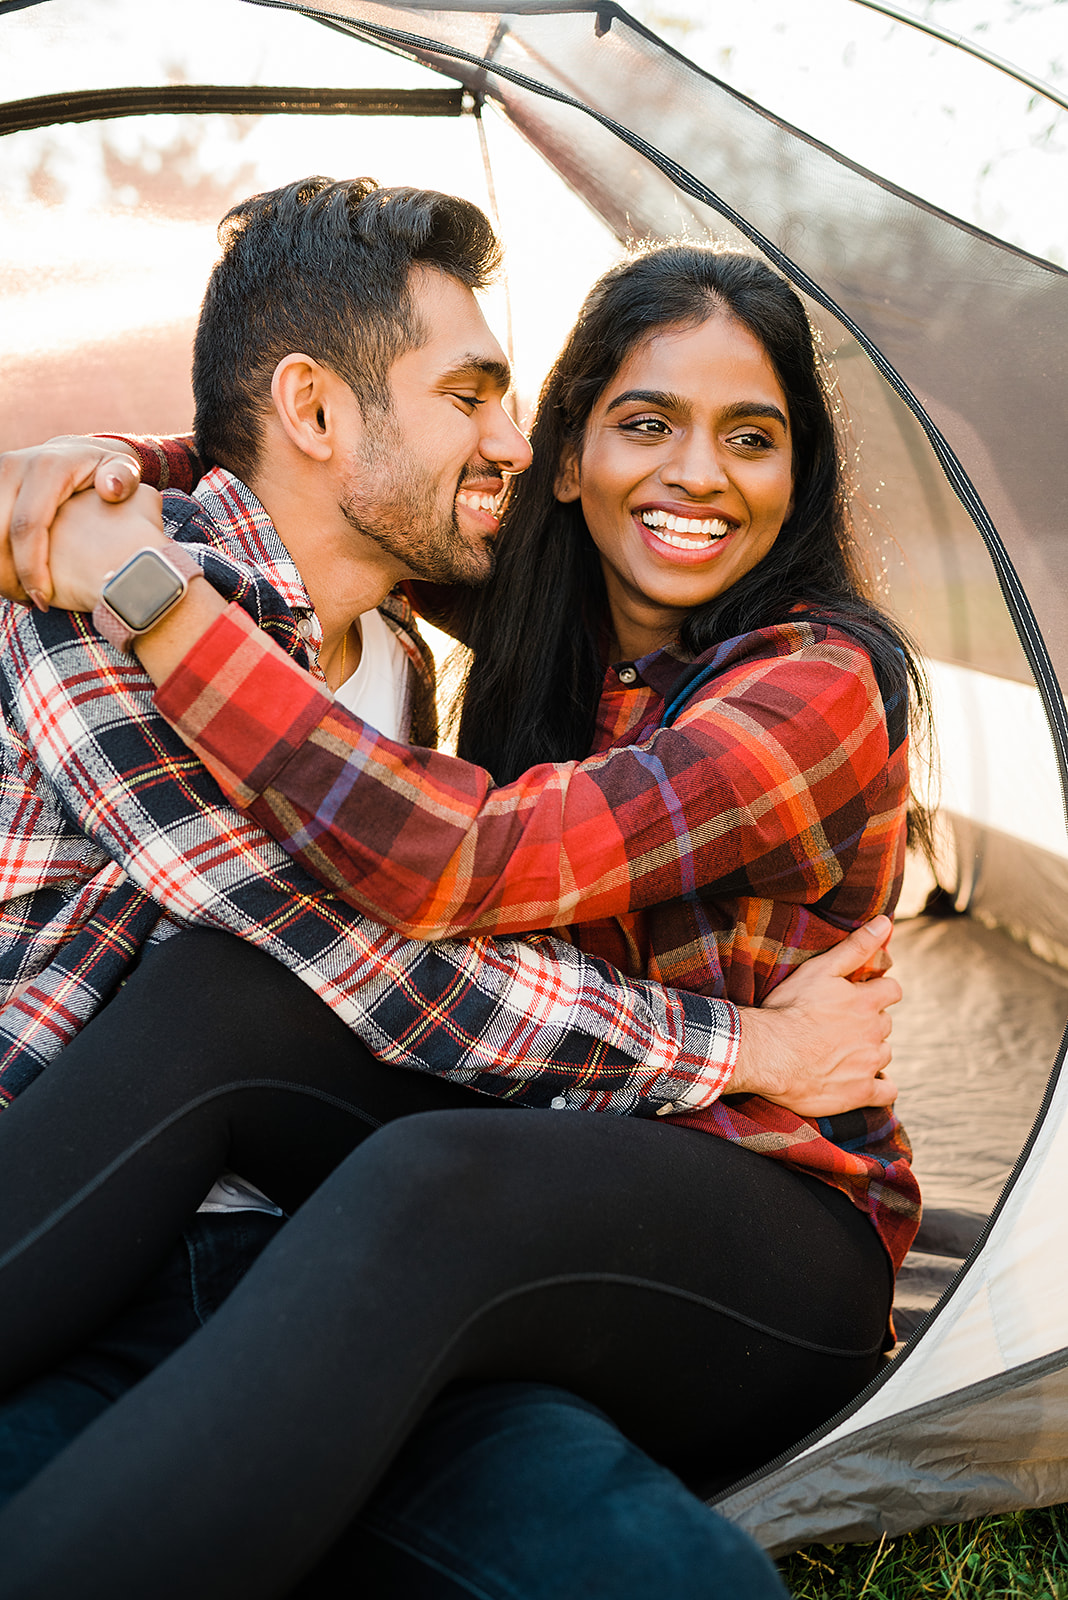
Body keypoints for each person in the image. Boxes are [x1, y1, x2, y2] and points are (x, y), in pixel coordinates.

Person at [0, 180, 895, 1596]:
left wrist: (147, 578)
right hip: (451, 1165)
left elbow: (457, 862)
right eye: (641, 424)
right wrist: (94, 470)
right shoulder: (504, 612)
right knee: (245, 1011)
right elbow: (317, 936)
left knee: (414, 1181)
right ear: (571, 462)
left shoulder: (814, 681)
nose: (698, 476)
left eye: (755, 437)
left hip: (749, 1203)